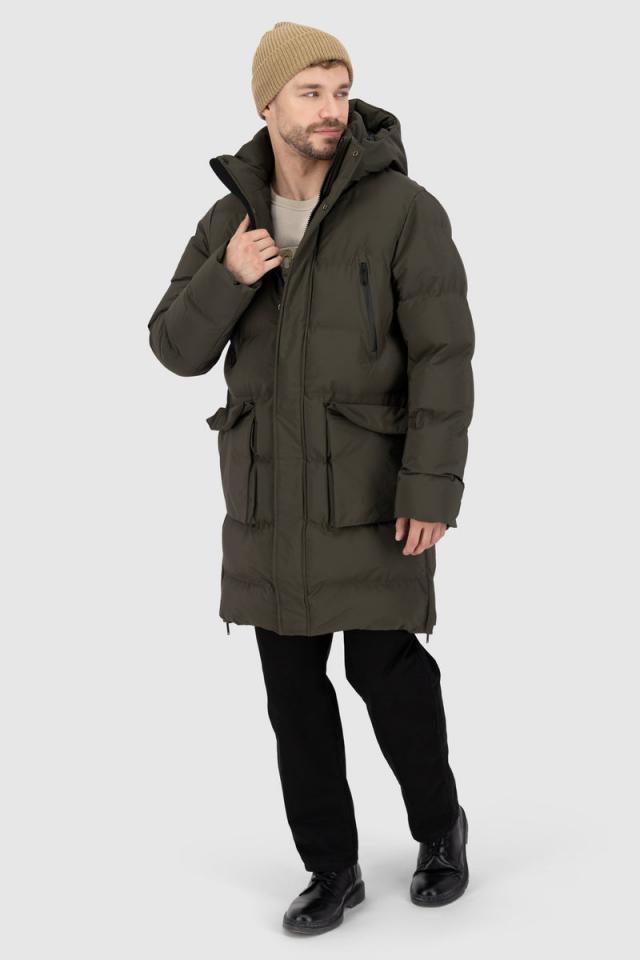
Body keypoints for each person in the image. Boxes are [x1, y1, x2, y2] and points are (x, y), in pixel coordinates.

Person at [148, 21, 475, 936]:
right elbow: (173, 347)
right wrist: (228, 278)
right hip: (268, 501)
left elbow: (444, 356)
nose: (333, 109)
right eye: (311, 92)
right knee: (292, 694)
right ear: (269, 105)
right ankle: (331, 868)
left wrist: (431, 488)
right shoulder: (229, 223)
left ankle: (439, 827)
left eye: (340, 90)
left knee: (386, 669)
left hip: (370, 495)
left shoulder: (403, 210)